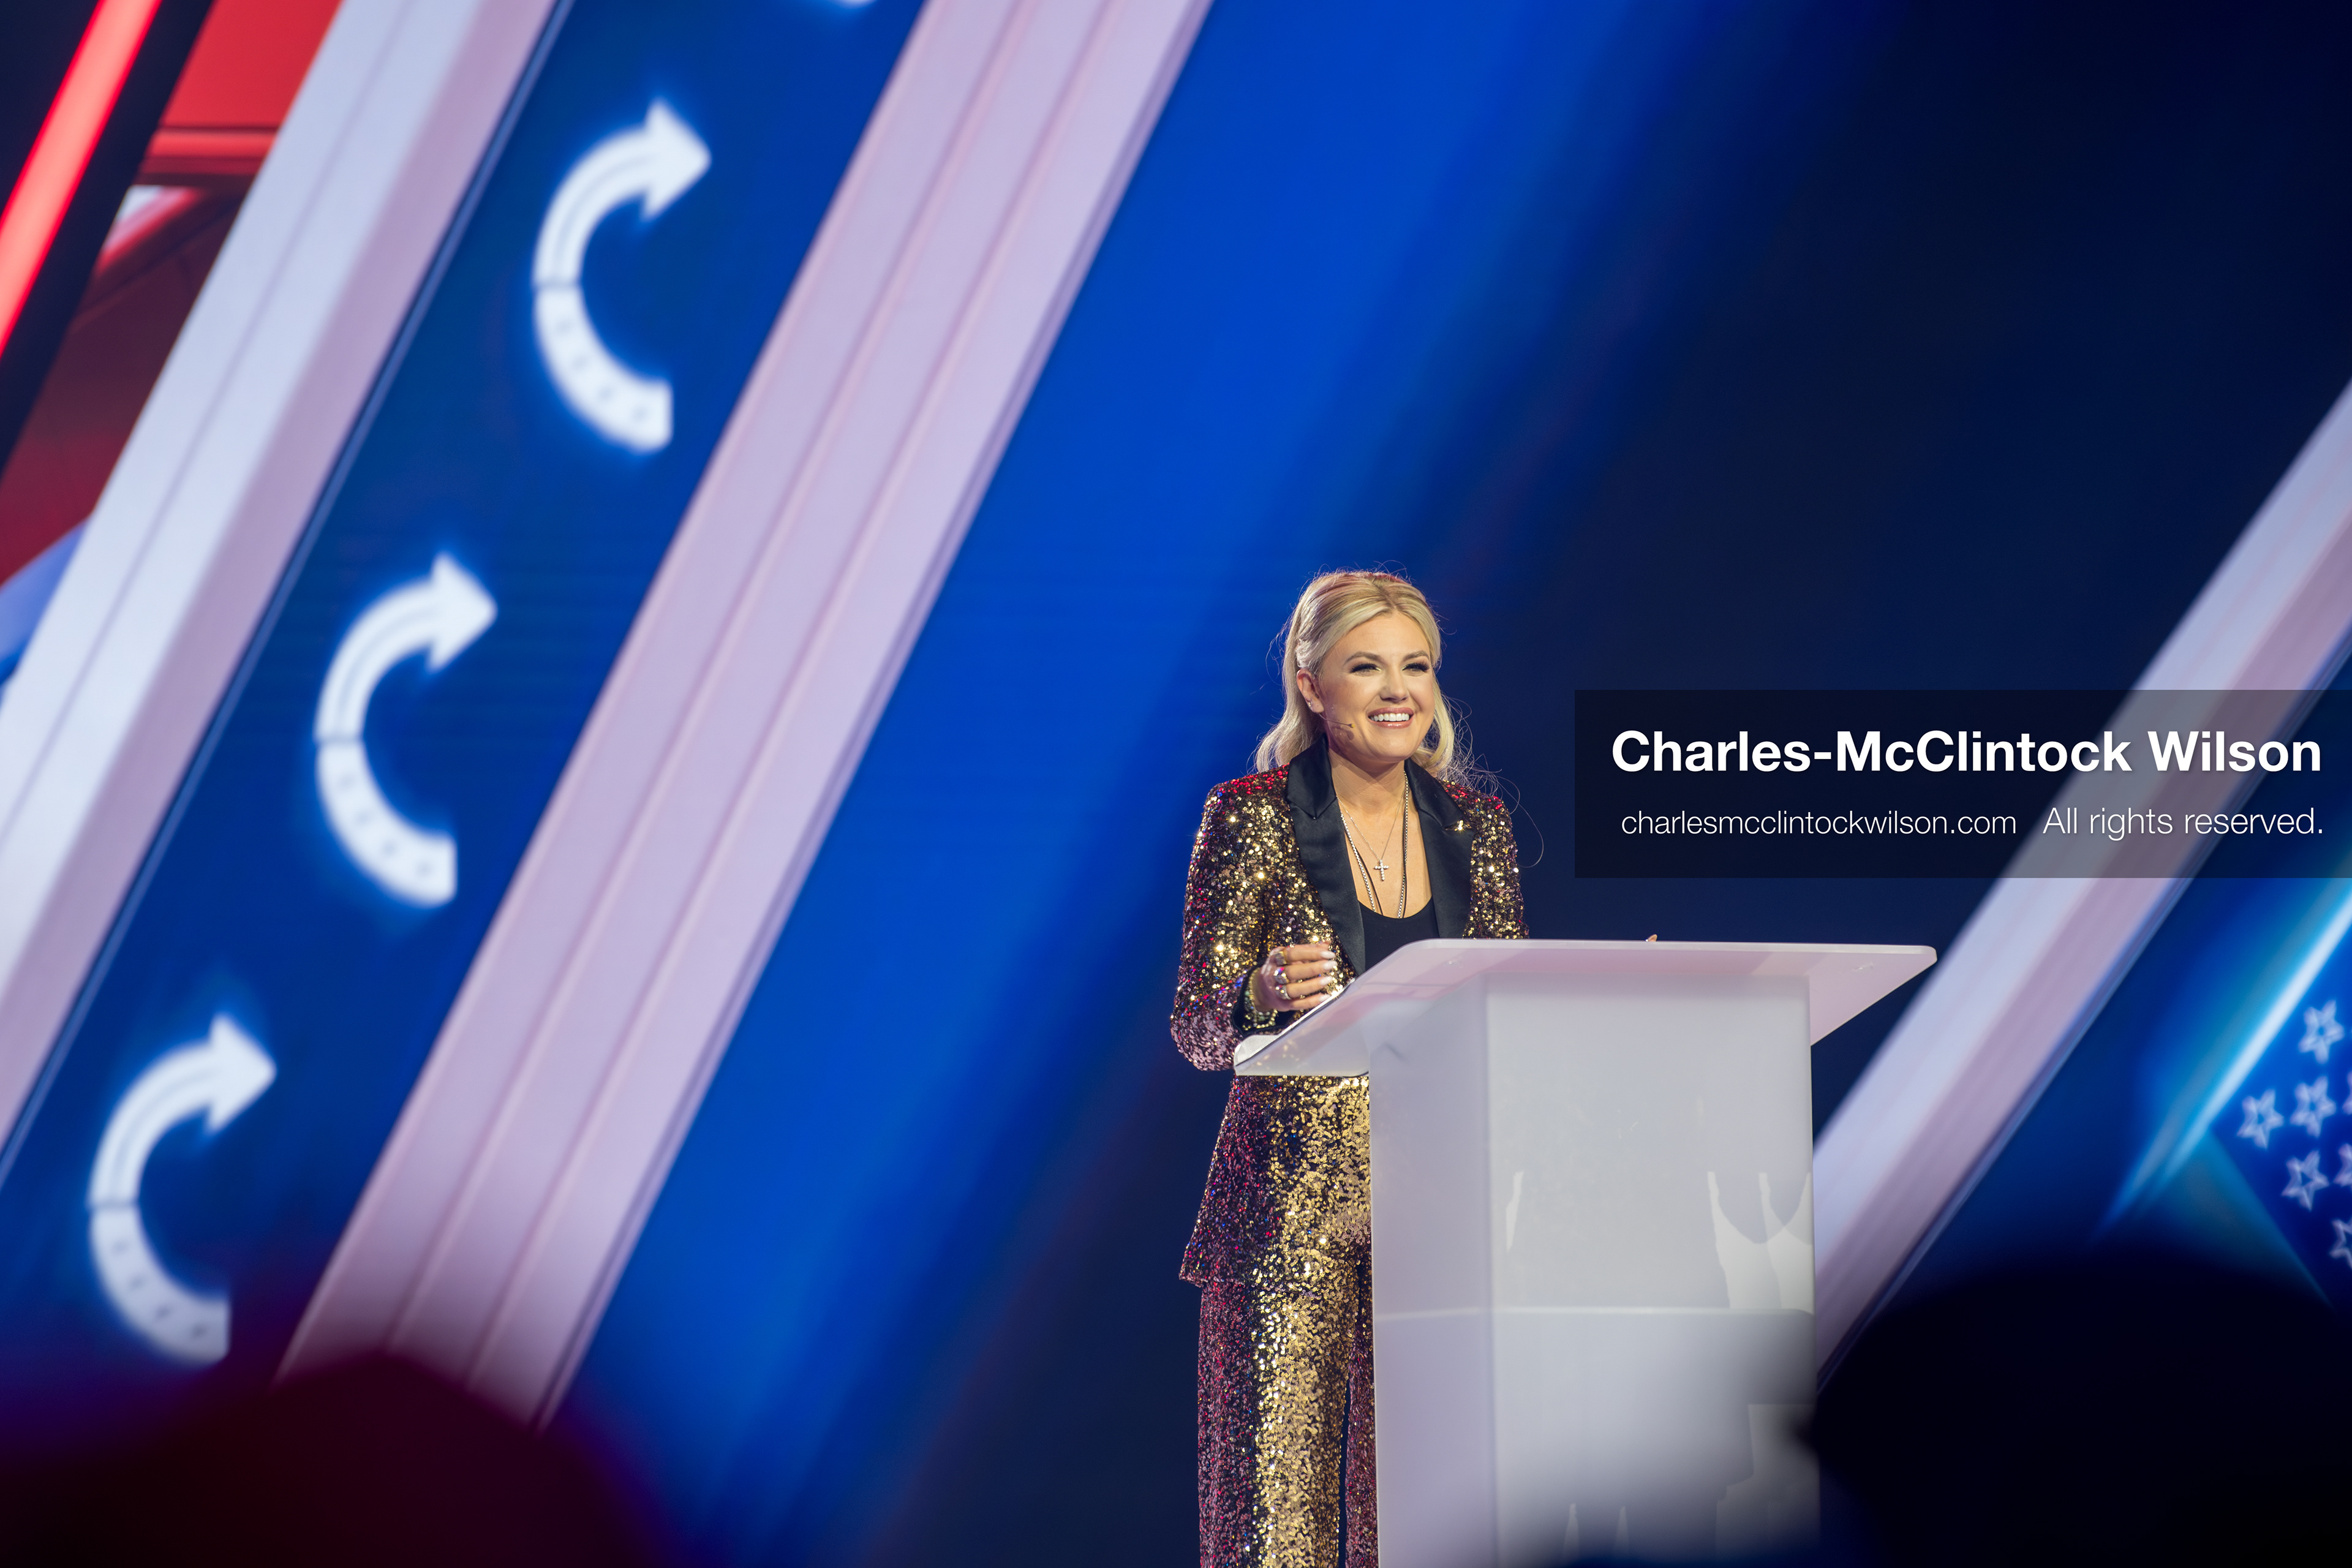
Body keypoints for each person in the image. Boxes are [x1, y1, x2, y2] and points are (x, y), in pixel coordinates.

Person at [1172, 570, 1528, 1568]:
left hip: (1440, 1209)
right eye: (1366, 666)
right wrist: (1258, 995)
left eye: (1415, 666)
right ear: (1311, 683)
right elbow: (1195, 1028)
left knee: (1428, 1521)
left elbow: (1494, 1006)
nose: (1397, 690)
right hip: (1286, 1215)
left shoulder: (1475, 826)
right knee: (1268, 1530)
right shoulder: (1252, 816)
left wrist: (1587, 997)